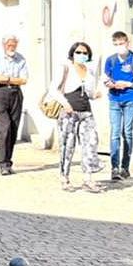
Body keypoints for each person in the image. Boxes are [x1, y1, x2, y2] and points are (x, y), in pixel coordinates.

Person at [51, 42, 104, 192]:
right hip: (69, 111)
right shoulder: (65, 68)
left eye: (85, 53)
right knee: (67, 146)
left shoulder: (89, 71)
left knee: (90, 144)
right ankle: (64, 177)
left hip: (86, 111)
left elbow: (90, 92)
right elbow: (53, 89)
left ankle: (88, 178)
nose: (81, 55)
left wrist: (95, 95)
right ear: (72, 53)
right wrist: (64, 103)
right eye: (78, 52)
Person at [103, 31, 133, 180]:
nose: (119, 47)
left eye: (121, 44)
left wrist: (129, 84)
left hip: (130, 98)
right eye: (116, 44)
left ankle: (125, 167)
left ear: (127, 43)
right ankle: (114, 168)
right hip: (114, 99)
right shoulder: (110, 60)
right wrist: (109, 84)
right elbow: (105, 79)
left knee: (127, 132)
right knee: (115, 133)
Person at [0, 34, 28, 175]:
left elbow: (24, 80)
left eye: (14, 45)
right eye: (9, 45)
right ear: (4, 45)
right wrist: (12, 79)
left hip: (16, 94)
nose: (11, 47)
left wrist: (6, 78)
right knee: (5, 127)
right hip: (0, 94)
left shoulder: (21, 59)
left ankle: (8, 161)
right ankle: (2, 163)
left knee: (13, 128)